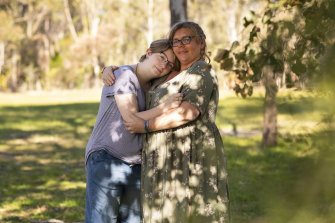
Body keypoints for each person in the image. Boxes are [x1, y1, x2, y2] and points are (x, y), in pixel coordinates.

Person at [103, 21, 230, 223]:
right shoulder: (167, 73)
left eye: (187, 39)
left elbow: (188, 112)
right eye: (176, 41)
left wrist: (146, 126)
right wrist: (111, 70)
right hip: (160, 158)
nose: (180, 45)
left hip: (189, 156)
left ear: (202, 43)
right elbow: (139, 72)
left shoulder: (201, 70)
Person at [85, 39, 183, 223]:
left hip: (136, 165)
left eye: (169, 64)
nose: (163, 65)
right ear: (148, 52)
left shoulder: (154, 88)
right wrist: (165, 108)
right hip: (107, 158)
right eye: (161, 57)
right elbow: (130, 119)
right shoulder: (123, 75)